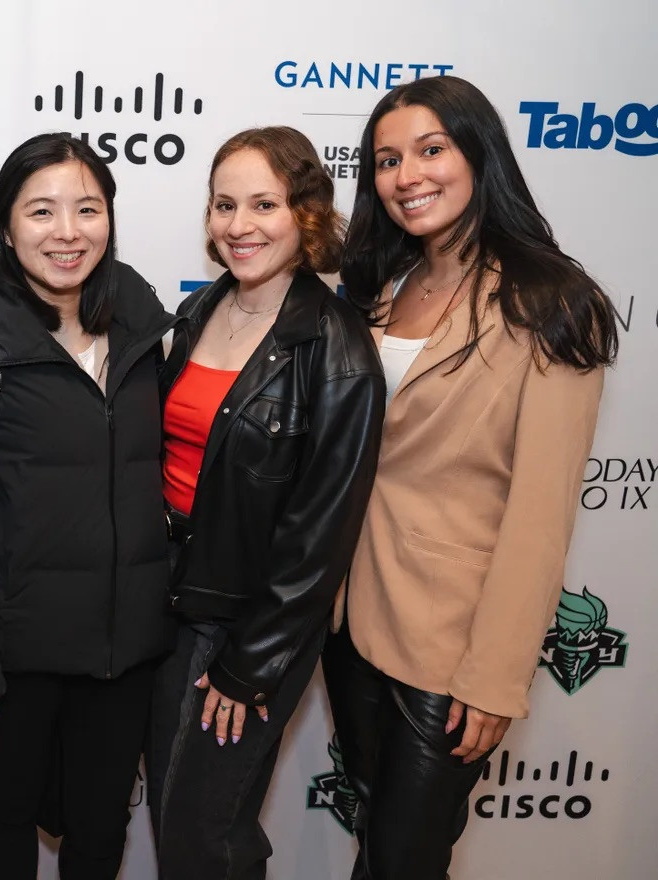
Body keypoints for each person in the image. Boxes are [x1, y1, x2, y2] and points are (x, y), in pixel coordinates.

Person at [322, 75, 618, 879]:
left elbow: (541, 514)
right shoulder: (381, 289)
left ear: (479, 155)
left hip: (452, 643)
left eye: (431, 150)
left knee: (406, 859)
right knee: (379, 843)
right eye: (387, 160)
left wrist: (494, 678)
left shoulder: (551, 303)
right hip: (348, 621)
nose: (407, 176)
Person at [0, 132, 175, 880]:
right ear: (6, 226)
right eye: (42, 210)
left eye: (87, 209)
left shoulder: (143, 325)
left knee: (102, 826)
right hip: (15, 654)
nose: (67, 232)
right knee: (13, 814)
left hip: (124, 648)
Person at [146, 127, 385, 879]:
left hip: (248, 624)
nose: (239, 225)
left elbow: (322, 534)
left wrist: (252, 663)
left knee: (205, 834)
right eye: (224, 205)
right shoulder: (198, 311)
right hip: (171, 601)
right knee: (178, 824)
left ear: (305, 213)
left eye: (263, 204)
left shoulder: (336, 347)